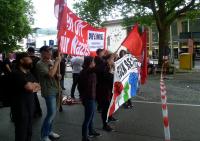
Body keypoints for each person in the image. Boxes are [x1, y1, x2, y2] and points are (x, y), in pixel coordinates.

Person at [10, 52, 41, 141]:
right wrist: (32, 86)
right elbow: (30, 88)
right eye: (28, 59)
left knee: (29, 131)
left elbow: (38, 86)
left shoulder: (29, 73)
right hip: (20, 109)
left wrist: (32, 86)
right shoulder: (16, 73)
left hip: (30, 107)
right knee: (21, 133)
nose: (31, 61)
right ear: (21, 61)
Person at [36, 46, 61, 141]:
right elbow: (50, 74)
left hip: (55, 89)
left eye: (50, 51)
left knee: (53, 113)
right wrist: (57, 62)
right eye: (48, 52)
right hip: (48, 91)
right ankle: (44, 135)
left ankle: (49, 131)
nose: (50, 53)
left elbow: (53, 75)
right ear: (43, 53)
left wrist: (58, 76)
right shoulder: (40, 64)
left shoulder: (50, 62)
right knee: (51, 114)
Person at [78, 56, 100, 141]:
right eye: (93, 62)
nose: (94, 63)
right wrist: (82, 96)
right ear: (90, 63)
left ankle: (91, 131)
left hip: (92, 97)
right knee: (87, 118)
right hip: (88, 98)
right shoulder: (86, 72)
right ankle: (84, 137)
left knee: (91, 116)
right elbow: (80, 87)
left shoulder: (91, 72)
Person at [27, 47, 42, 118]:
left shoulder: (28, 59)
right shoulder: (38, 59)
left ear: (29, 52)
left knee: (33, 97)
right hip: (37, 79)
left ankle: (36, 112)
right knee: (34, 96)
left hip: (29, 79)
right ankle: (38, 111)